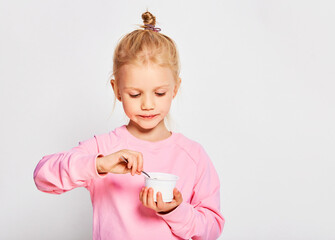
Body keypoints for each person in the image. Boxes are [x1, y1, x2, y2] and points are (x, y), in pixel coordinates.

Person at [33, 10, 225, 240]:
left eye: (159, 93)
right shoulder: (104, 148)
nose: (147, 104)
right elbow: (43, 177)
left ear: (175, 88)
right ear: (117, 90)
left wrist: (174, 210)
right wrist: (100, 164)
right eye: (135, 94)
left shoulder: (193, 156)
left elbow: (212, 228)